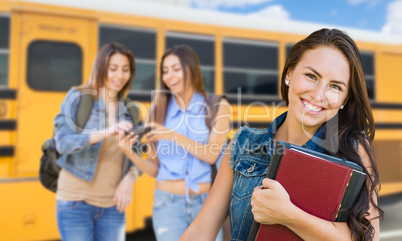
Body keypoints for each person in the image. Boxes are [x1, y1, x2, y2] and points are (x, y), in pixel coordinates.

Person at [179, 28, 383, 241]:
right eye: (311, 76)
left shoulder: (353, 149)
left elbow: (369, 238)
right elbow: (200, 231)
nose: (318, 94)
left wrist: (288, 215)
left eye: (335, 86)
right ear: (289, 74)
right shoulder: (242, 144)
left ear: (345, 100)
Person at [118, 44, 230, 241]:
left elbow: (211, 155)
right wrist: (130, 153)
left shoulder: (218, 106)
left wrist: (171, 135)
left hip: (207, 205)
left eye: (176, 69)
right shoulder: (156, 112)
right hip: (167, 204)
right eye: (165, 71)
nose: (170, 76)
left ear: (192, 69)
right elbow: (154, 169)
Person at [54, 42, 141, 241]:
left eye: (125, 70)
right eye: (113, 68)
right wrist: (103, 133)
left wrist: (130, 178)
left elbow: (138, 152)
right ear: (101, 68)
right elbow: (63, 142)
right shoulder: (77, 98)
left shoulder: (131, 110)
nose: (120, 75)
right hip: (75, 203)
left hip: (113, 207)